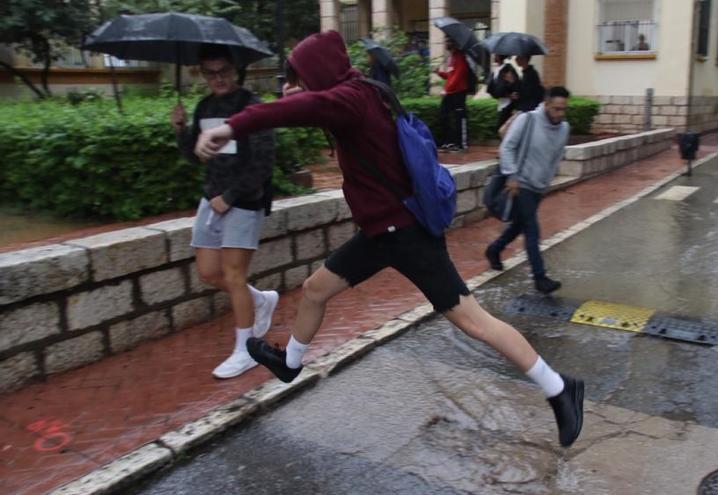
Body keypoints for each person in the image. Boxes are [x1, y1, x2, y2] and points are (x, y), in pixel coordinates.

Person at [194, 31, 585, 448]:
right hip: (380, 233)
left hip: (405, 235)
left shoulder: (348, 100)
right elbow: (313, 105)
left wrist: (231, 127)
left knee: (474, 321)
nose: (304, 85)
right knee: (314, 290)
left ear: (321, 74)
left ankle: (559, 387)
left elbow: (307, 107)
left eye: (305, 77)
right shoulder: (363, 90)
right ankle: (289, 362)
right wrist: (300, 93)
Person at [170, 44, 279, 379]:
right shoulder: (204, 106)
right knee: (208, 273)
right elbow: (195, 156)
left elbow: (263, 163)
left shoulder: (252, 107)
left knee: (234, 276)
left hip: (243, 202)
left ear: (235, 70)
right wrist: (180, 130)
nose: (218, 78)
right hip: (211, 200)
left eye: (224, 71)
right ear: (202, 74)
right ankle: (260, 301)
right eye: (210, 72)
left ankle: (246, 350)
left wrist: (230, 197)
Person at [485, 87, 571, 294]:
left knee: (519, 225)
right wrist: (512, 175)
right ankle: (540, 278)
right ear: (546, 104)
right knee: (532, 229)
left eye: (563, 109)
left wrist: (546, 182)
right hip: (520, 184)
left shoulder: (564, 128)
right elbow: (507, 147)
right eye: (556, 109)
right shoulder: (528, 120)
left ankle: (494, 250)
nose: (559, 114)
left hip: (538, 186)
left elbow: (555, 157)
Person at [435, 37, 470, 152]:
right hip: (451, 92)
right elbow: (450, 76)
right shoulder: (452, 58)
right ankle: (448, 141)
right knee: (443, 114)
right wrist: (439, 73)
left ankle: (462, 144)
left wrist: (446, 89)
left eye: (448, 41)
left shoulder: (460, 57)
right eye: (445, 41)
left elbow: (458, 76)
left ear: (453, 43)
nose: (445, 43)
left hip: (459, 92)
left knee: (459, 117)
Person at [487, 53, 521, 132]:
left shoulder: (508, 69)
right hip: (501, 103)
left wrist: (508, 94)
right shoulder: (495, 70)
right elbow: (491, 89)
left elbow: (515, 85)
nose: (493, 56)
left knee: (502, 129)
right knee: (502, 129)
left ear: (499, 56)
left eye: (495, 54)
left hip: (508, 104)